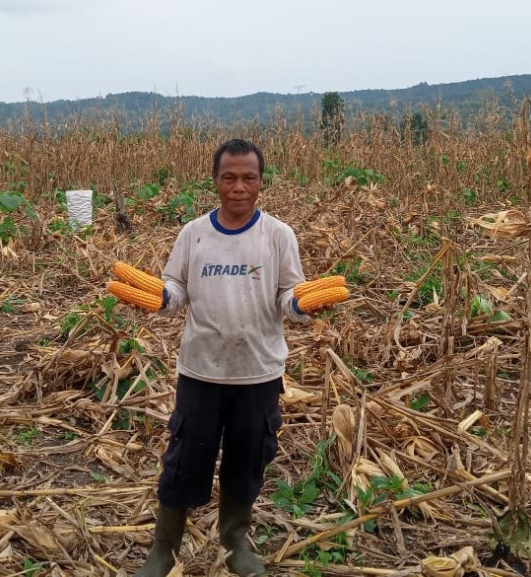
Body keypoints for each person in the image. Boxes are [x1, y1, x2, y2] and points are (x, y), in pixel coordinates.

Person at [135, 139, 321, 577]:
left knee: (247, 458)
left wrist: (301, 306)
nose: (239, 187)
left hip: (257, 372)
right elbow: (176, 288)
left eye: (249, 178)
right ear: (215, 181)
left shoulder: (278, 235)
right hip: (201, 370)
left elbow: (288, 293)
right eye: (229, 178)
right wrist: (161, 298)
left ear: (261, 182)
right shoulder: (194, 233)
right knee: (185, 459)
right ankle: (164, 549)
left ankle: (234, 540)